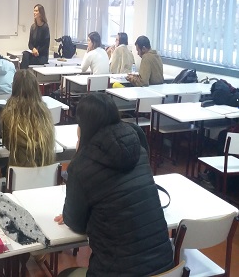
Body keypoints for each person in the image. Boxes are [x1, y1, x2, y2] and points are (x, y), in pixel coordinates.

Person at [54, 93, 173, 276]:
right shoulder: (138, 148)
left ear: (84, 126)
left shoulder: (81, 166)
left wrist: (80, 153)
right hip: (165, 269)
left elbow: (75, 223)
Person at [0, 69, 55, 167]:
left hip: (20, 174)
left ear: (14, 88)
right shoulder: (46, 113)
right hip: (46, 172)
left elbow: (7, 144)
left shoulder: (9, 116)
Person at [20, 4, 50, 69]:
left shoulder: (45, 27)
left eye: (36, 11)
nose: (34, 13)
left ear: (41, 13)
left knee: (25, 62)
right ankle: (23, 75)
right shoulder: (33, 27)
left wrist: (37, 51)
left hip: (42, 56)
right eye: (34, 11)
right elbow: (30, 43)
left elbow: (46, 45)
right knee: (25, 54)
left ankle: (23, 75)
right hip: (34, 54)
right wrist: (33, 49)